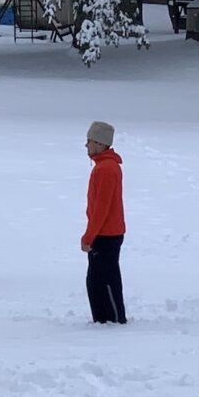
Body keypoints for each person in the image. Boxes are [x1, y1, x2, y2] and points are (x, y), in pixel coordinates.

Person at [82, 121, 127, 324]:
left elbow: (102, 208)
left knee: (105, 280)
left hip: (106, 234)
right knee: (96, 281)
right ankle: (103, 320)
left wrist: (89, 236)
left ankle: (113, 320)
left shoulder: (106, 169)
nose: (86, 146)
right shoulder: (103, 167)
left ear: (100, 144)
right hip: (104, 232)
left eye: (89, 141)